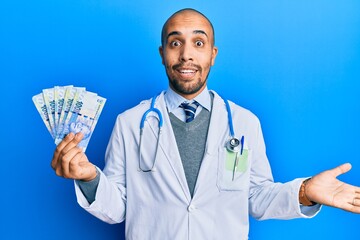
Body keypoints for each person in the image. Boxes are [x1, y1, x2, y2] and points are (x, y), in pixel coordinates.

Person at [51, 8, 360, 239]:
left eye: (198, 44)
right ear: (162, 53)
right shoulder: (131, 123)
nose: (186, 55)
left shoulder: (243, 122)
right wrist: (90, 177)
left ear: (212, 55)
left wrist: (305, 191)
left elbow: (256, 197)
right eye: (175, 43)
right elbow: (118, 208)